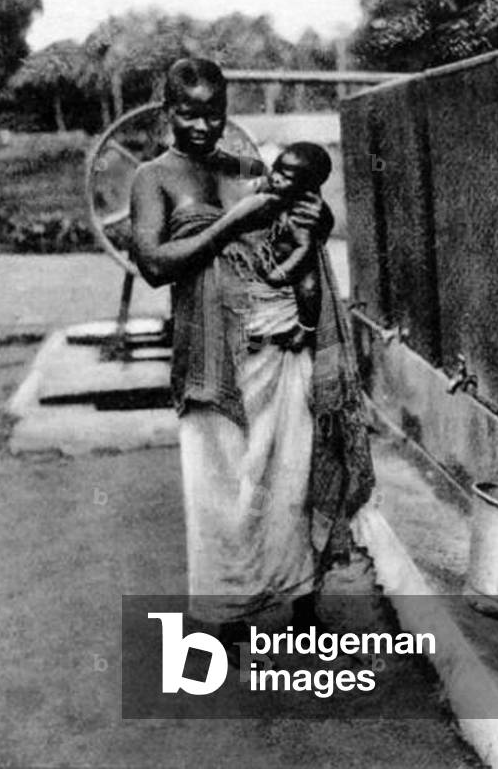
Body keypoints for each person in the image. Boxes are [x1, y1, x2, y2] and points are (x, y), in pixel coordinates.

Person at [130, 58, 374, 656]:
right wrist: (234, 219)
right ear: (167, 112)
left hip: (280, 346)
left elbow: (296, 220)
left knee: (287, 480)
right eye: (187, 113)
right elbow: (156, 265)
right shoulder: (153, 179)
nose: (201, 126)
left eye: (213, 113)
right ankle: (229, 620)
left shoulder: (248, 168)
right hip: (214, 359)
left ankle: (300, 604)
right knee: (219, 494)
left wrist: (323, 219)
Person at [251, 142, 333, 353]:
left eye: (286, 177)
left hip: (296, 264)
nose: (276, 177)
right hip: (268, 258)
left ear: (306, 186)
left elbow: (304, 247)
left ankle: (306, 328)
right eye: (276, 169)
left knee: (309, 287)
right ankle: (256, 340)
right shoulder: (271, 189)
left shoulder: (304, 211)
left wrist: (281, 272)